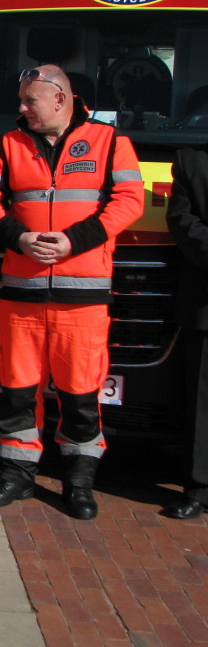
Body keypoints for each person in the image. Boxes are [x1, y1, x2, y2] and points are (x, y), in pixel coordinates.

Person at [0, 64, 143, 519]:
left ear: (61, 99)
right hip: (22, 295)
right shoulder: (9, 145)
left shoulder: (111, 143)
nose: (22, 108)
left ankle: (80, 483)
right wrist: (18, 238)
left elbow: (130, 201)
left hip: (82, 300)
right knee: (16, 391)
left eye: (30, 101)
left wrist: (74, 241)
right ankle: (16, 475)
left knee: (81, 395)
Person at [164, 145, 208, 519]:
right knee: (202, 403)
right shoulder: (192, 160)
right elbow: (181, 220)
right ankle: (198, 488)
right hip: (205, 302)